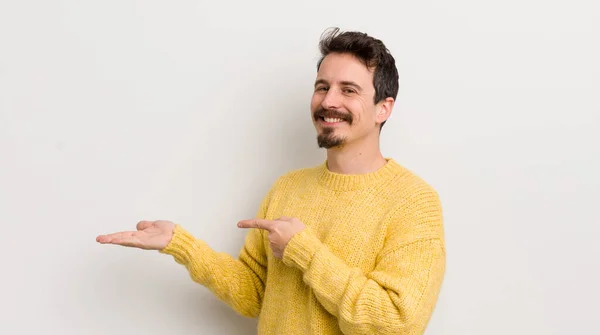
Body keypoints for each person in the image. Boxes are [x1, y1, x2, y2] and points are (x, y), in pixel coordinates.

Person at [97, 27, 446, 335]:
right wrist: (182, 244)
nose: (328, 101)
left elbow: (397, 323)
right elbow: (254, 295)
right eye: (322, 87)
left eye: (348, 90)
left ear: (383, 108)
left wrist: (304, 251)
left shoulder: (413, 202)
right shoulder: (288, 188)